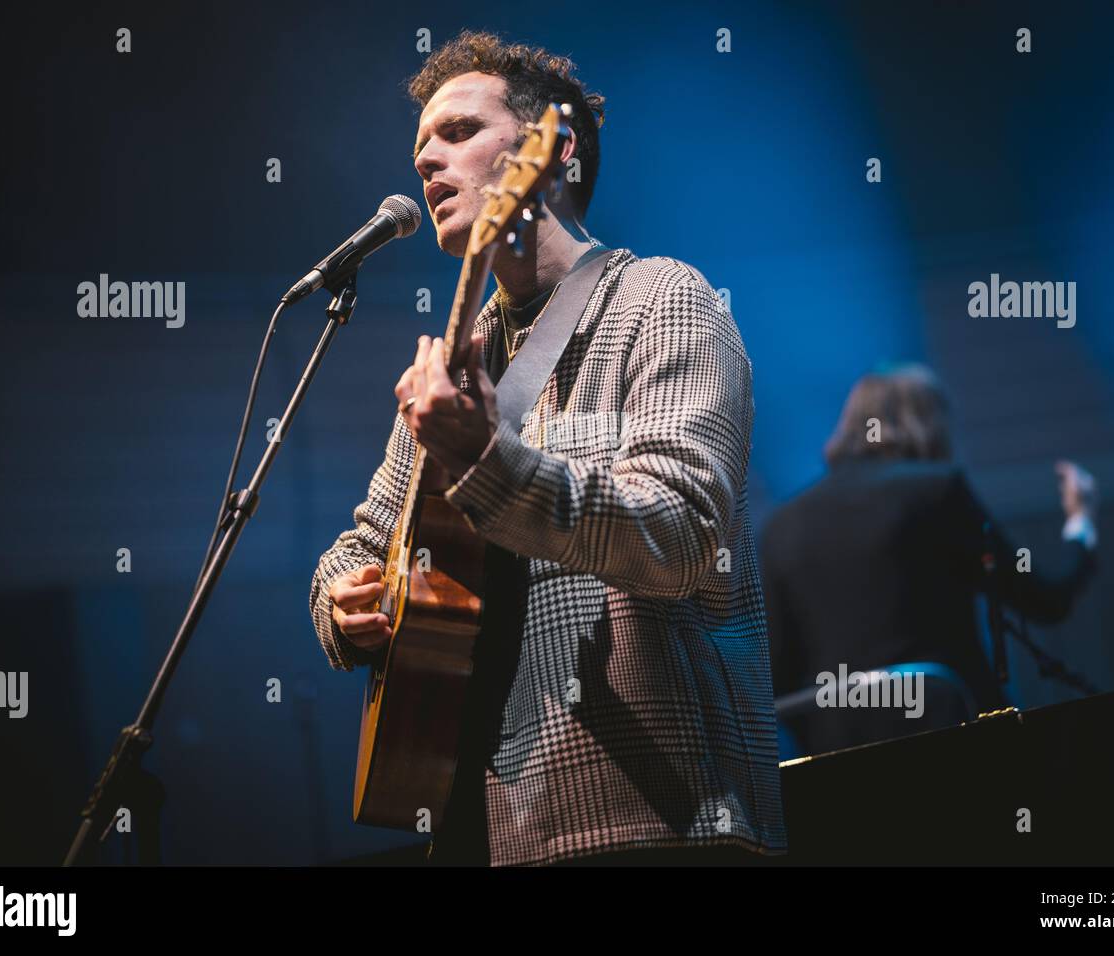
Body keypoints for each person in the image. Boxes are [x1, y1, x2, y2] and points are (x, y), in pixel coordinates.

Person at [308, 31, 786, 866]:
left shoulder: (662, 300)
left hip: (653, 816)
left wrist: (491, 463)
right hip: (476, 820)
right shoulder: (452, 365)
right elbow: (363, 538)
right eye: (420, 147)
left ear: (552, 151)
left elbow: (679, 538)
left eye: (458, 133)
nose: (427, 162)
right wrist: (342, 602)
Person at [759, 364, 1098, 754]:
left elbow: (776, 676)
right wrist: (1081, 524)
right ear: (932, 424)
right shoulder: (938, 490)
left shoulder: (781, 525)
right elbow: (1045, 599)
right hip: (954, 734)